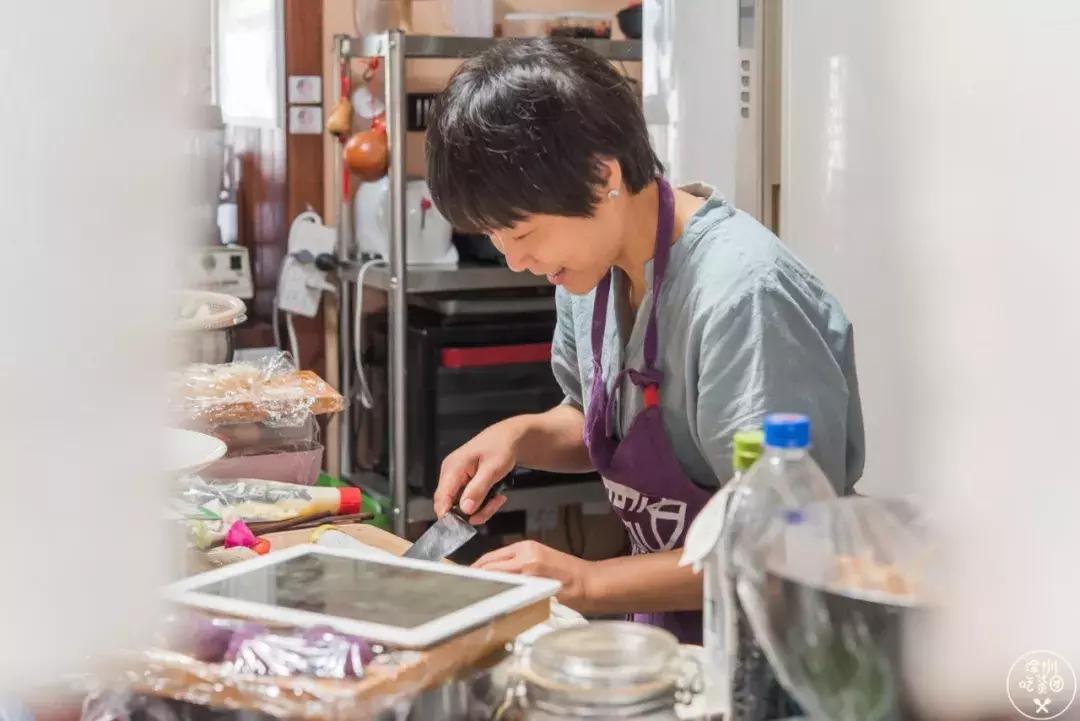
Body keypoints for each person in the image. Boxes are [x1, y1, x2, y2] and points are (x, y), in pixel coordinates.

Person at [424, 37, 864, 644]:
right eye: (495, 236)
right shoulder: (587, 271)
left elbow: (779, 538)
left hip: (777, 645)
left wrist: (586, 582)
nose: (514, 258)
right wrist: (520, 436)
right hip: (674, 632)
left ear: (602, 175)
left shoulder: (743, 296)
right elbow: (600, 419)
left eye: (521, 230)